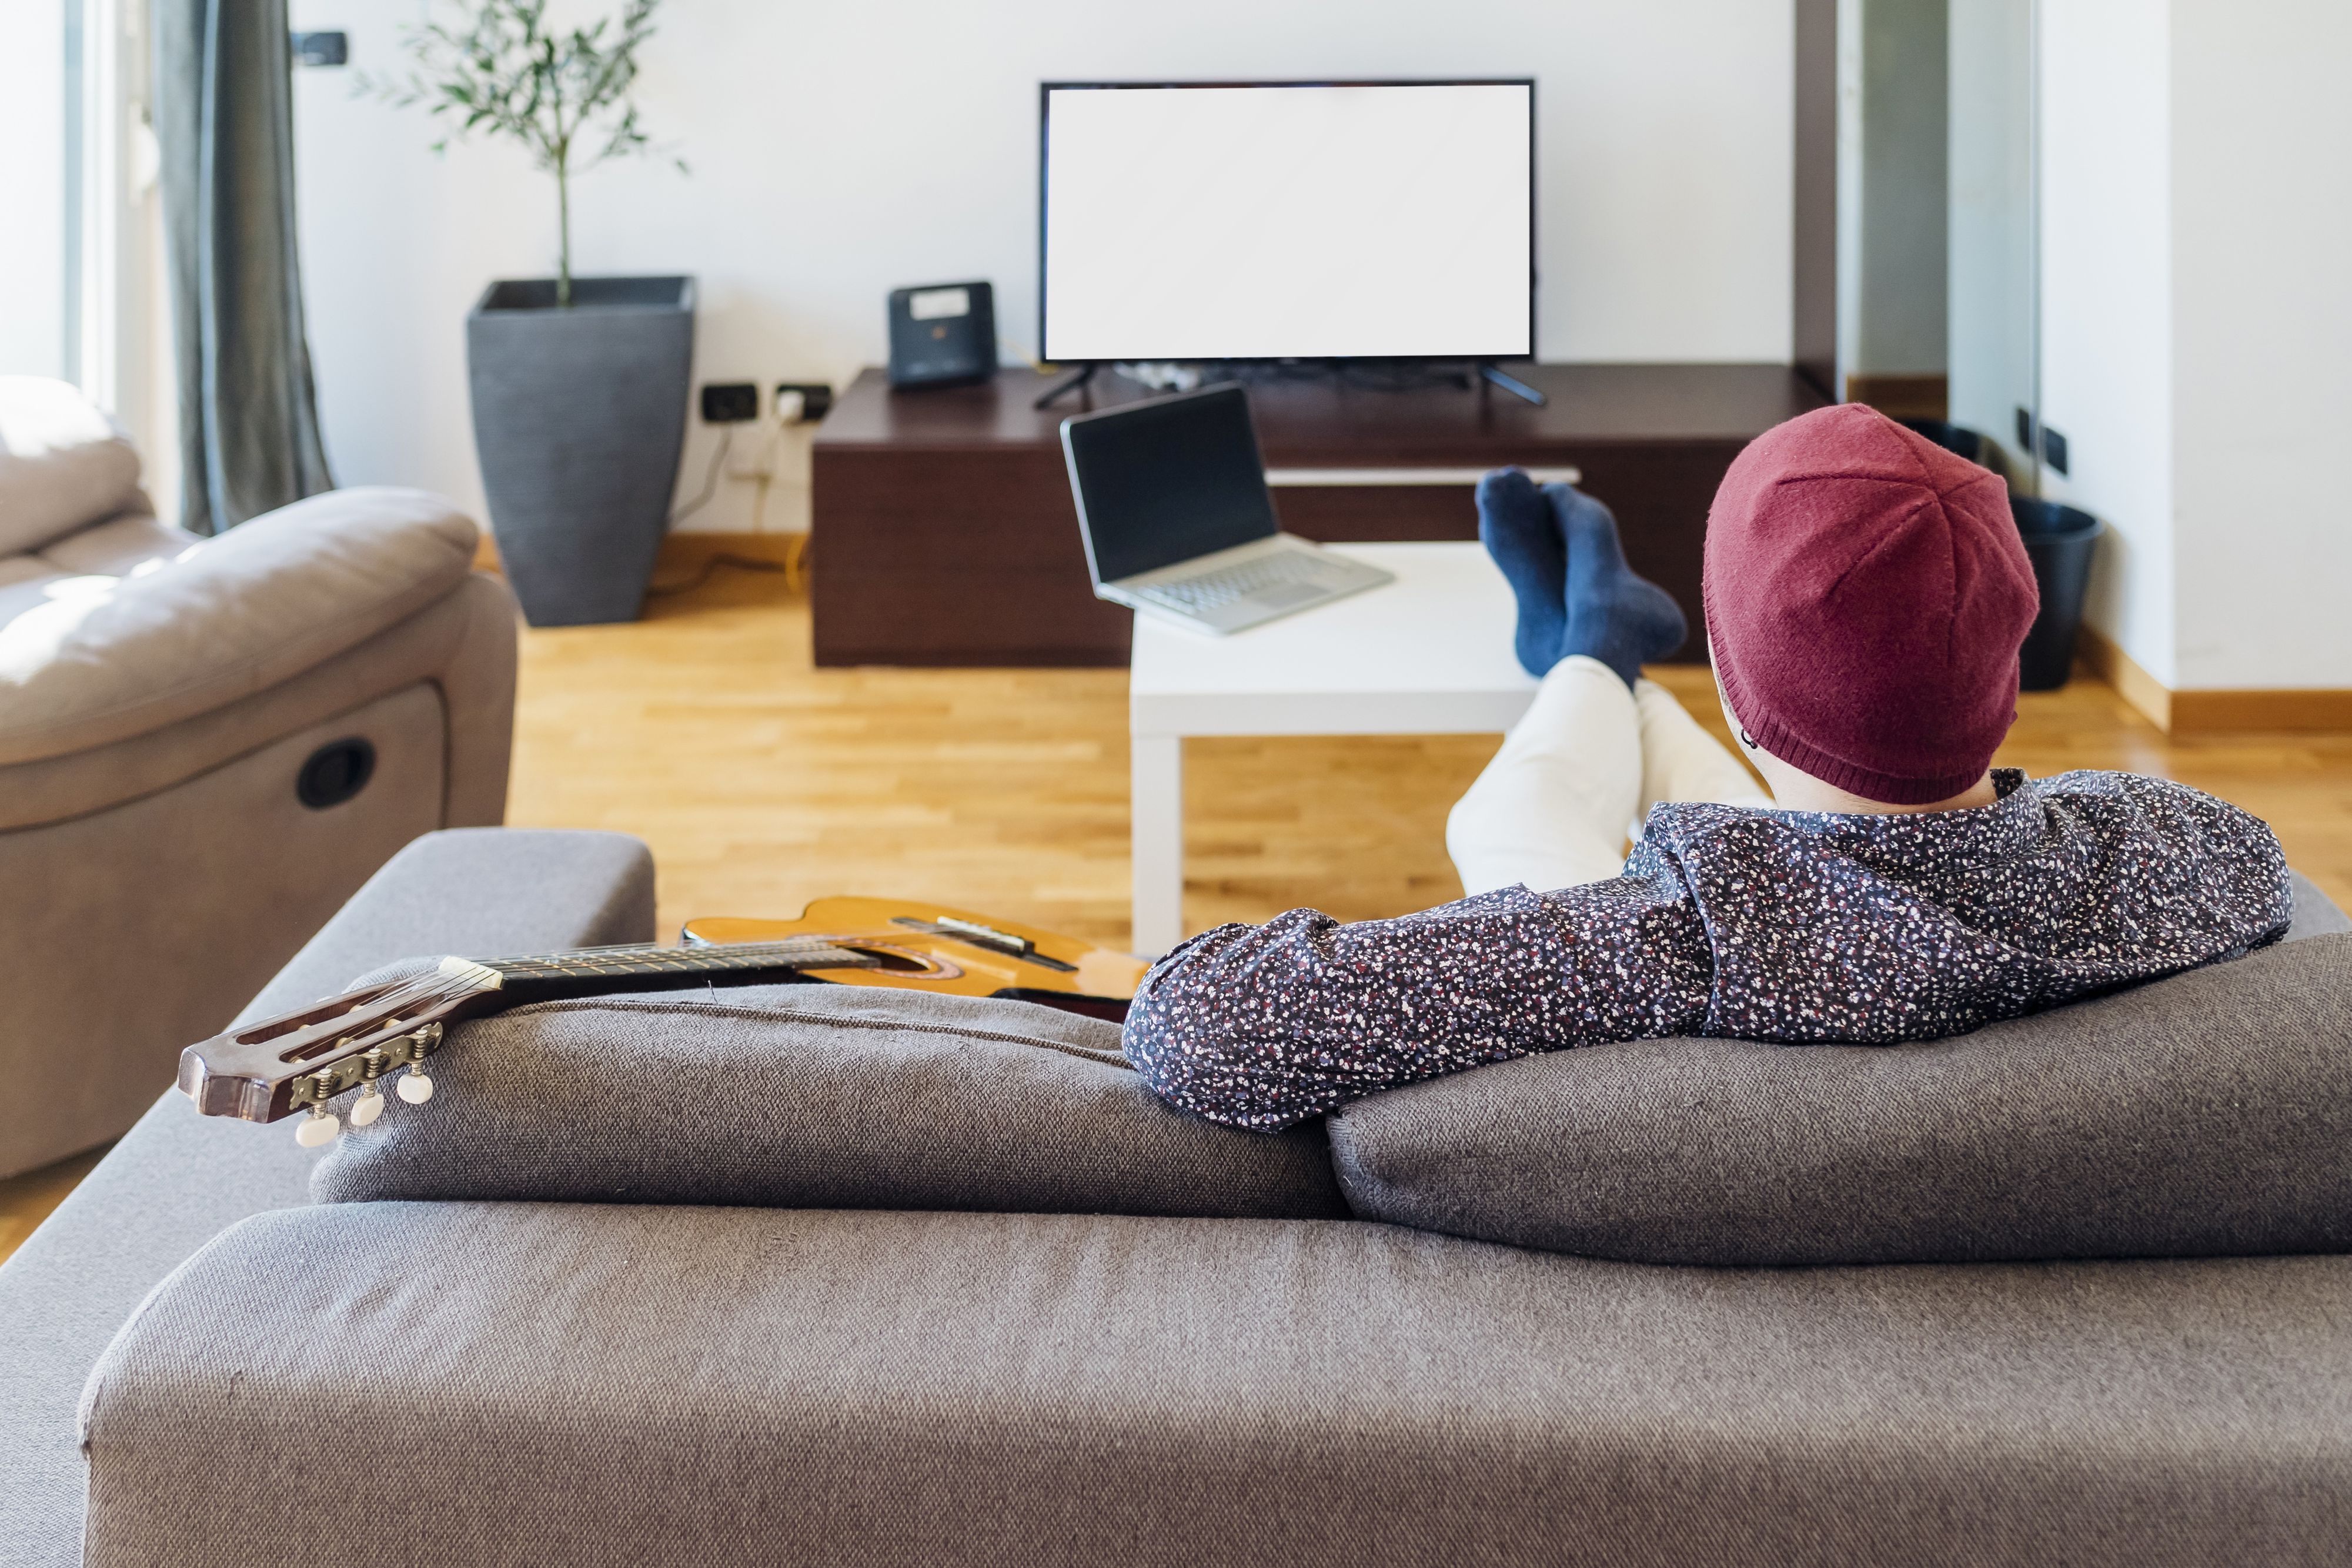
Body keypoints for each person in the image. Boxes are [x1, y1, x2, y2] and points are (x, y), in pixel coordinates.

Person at [1122, 404, 2291, 1131]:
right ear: (2006, 667)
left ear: (1737, 698)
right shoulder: (2182, 844)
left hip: (1737, 933)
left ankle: (1594, 653)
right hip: (1853, 883)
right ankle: (1596, 648)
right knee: (1730, 807)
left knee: (1506, 816)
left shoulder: (1666, 941)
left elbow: (1196, 1023)